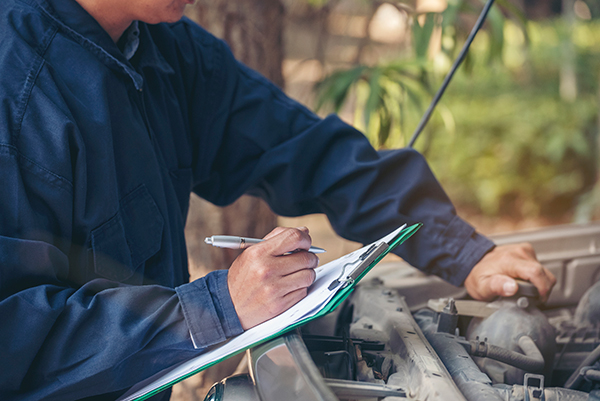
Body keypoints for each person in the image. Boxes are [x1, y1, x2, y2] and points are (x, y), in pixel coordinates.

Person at [0, 0, 556, 399]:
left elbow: (303, 148)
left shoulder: (163, 49)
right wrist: (216, 309)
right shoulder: (14, 87)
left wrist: (462, 251)